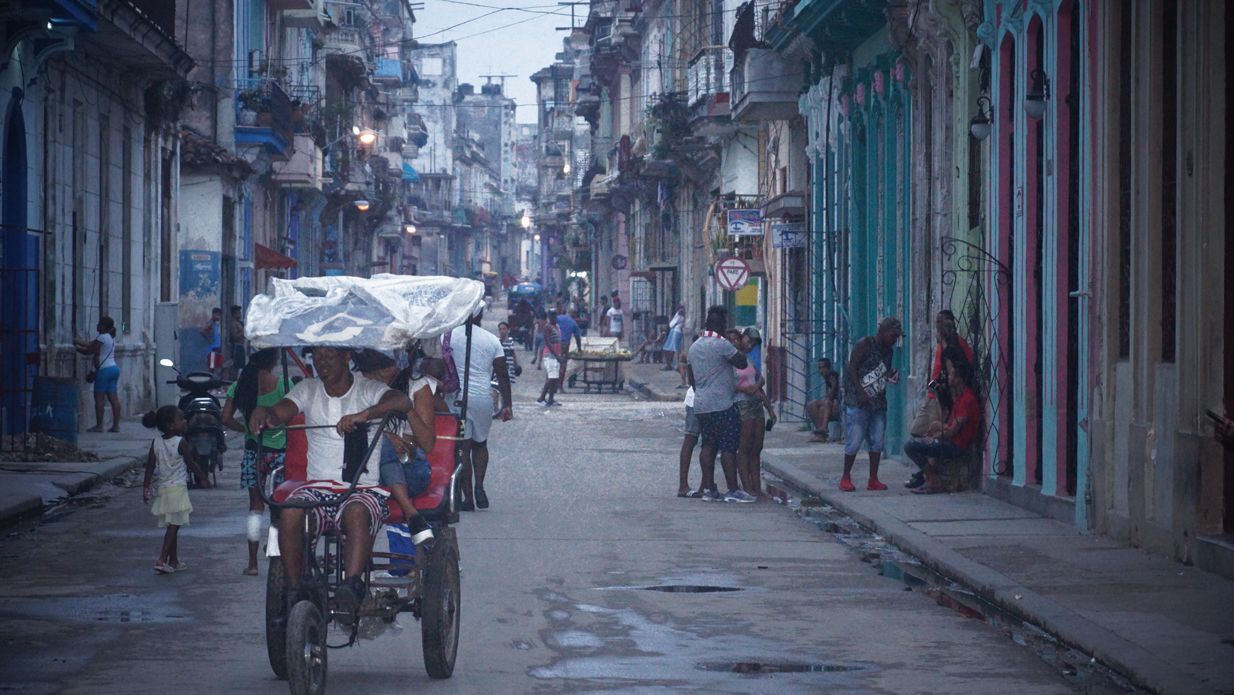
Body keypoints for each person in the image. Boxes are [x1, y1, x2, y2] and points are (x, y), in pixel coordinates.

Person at [248, 346, 413, 624]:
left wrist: (366, 415)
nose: (322, 364)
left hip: (362, 489)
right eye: (317, 358)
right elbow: (281, 411)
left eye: (329, 357)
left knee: (356, 511)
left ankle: (352, 585)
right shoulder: (308, 389)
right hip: (318, 488)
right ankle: (293, 587)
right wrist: (265, 413)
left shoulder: (367, 388)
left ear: (346, 357)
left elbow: (402, 402)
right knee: (289, 511)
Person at [353, 349, 436, 550]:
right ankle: (411, 514)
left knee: (381, 445)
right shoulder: (356, 384)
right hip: (363, 473)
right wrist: (386, 435)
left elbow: (427, 444)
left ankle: (408, 510)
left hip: (410, 469)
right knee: (380, 441)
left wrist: (406, 409)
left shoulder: (417, 386)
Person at [221, 348, 290, 576]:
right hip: (280, 453)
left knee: (255, 508)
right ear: (273, 360)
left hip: (254, 451)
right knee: (277, 508)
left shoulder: (240, 384)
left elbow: (225, 418)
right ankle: (275, 556)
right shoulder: (283, 384)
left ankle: (252, 563)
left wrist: (246, 430)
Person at [687, 306, 754, 503]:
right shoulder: (722, 345)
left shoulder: (694, 347)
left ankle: (709, 488)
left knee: (708, 445)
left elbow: (692, 380)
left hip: (702, 404)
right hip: (723, 404)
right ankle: (732, 490)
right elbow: (741, 363)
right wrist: (738, 346)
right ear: (721, 326)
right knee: (728, 447)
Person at [447, 312, 513, 511]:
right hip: (484, 399)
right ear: (481, 315)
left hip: (458, 400)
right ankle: (479, 486)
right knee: (480, 444)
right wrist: (508, 404)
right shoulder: (492, 340)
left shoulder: (448, 337)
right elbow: (502, 375)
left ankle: (467, 498)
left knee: (462, 449)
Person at [840, 316, 904, 492]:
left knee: (877, 440)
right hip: (858, 402)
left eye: (896, 337)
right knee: (855, 439)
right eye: (892, 336)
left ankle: (873, 479)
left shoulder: (888, 352)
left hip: (878, 402)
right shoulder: (864, 344)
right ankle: (846, 476)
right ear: (882, 332)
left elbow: (883, 372)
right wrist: (860, 392)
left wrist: (891, 375)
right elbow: (851, 368)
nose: (893, 340)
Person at [142, 405, 207, 574]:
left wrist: (146, 488)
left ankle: (174, 560)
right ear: (171, 425)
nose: (185, 421)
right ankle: (162, 559)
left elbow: (149, 467)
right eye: (181, 419)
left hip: (163, 489)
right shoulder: (180, 442)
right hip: (177, 489)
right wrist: (203, 477)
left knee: (173, 525)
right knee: (174, 526)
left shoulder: (156, 442)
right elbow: (190, 463)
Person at [903, 357, 980, 494]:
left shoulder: (965, 399)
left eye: (951, 374)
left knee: (913, 445)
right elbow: (932, 384)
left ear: (959, 378)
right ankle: (925, 476)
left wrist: (937, 435)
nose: (949, 376)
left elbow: (952, 431)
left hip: (954, 441)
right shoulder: (956, 393)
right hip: (941, 411)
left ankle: (931, 480)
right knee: (920, 436)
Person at [734, 329, 776, 499]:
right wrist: (748, 388)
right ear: (741, 338)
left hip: (756, 404)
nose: (750, 345)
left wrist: (770, 410)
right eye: (748, 341)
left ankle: (757, 487)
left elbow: (759, 384)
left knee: (756, 448)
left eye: (754, 343)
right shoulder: (733, 359)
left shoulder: (750, 359)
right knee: (744, 448)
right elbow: (729, 383)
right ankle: (747, 487)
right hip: (742, 405)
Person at [74, 316, 122, 433]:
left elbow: (90, 349)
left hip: (104, 371)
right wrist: (79, 342)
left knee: (99, 398)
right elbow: (90, 345)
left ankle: (99, 426)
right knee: (113, 399)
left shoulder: (102, 337)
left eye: (99, 324)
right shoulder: (110, 338)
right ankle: (116, 426)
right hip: (114, 369)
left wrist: (77, 347)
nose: (97, 326)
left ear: (104, 327)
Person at [807, 358, 841, 442]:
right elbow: (827, 394)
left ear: (828, 368)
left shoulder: (832, 375)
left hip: (839, 402)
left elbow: (832, 394)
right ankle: (821, 432)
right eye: (819, 368)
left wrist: (829, 396)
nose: (821, 370)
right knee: (812, 404)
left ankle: (824, 429)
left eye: (823, 367)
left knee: (825, 405)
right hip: (831, 402)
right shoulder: (826, 377)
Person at [538, 310, 564, 407]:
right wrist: (557, 356)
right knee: (551, 377)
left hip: (556, 354)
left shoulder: (557, 326)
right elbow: (548, 343)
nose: (554, 317)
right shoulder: (547, 327)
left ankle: (551, 399)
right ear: (549, 316)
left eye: (555, 315)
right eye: (552, 315)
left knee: (555, 378)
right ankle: (541, 398)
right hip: (549, 355)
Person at [556, 305, 582, 388]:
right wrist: (579, 349)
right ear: (574, 314)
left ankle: (552, 385)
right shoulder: (574, 323)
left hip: (555, 343)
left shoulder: (559, 318)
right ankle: (560, 385)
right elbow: (578, 338)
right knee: (563, 365)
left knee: (554, 364)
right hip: (565, 345)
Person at [202, 307, 224, 377]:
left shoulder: (218, 324)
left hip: (218, 349)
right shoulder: (211, 323)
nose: (218, 317)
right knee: (211, 368)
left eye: (219, 315)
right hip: (212, 350)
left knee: (218, 367)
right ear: (213, 314)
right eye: (217, 314)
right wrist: (209, 340)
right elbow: (202, 331)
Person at [662, 305, 685, 371]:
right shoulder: (679, 314)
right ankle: (670, 364)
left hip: (675, 331)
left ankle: (672, 365)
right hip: (674, 331)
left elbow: (672, 324)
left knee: (673, 349)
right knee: (669, 349)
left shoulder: (679, 313)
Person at [229, 305, 246, 378]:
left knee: (240, 367)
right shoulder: (233, 324)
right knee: (235, 367)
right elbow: (235, 336)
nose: (240, 314)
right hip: (236, 347)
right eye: (238, 313)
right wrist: (243, 332)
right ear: (234, 314)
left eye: (240, 312)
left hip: (241, 346)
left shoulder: (240, 323)